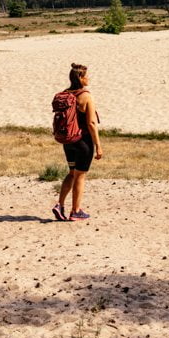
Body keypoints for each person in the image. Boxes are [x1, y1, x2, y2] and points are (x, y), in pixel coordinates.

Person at [52, 63, 102, 221]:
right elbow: (91, 123)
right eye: (86, 76)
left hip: (68, 141)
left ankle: (60, 205)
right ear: (81, 78)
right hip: (83, 141)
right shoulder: (86, 96)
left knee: (72, 173)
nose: (88, 78)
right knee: (80, 176)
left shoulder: (66, 94)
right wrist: (98, 145)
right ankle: (76, 211)